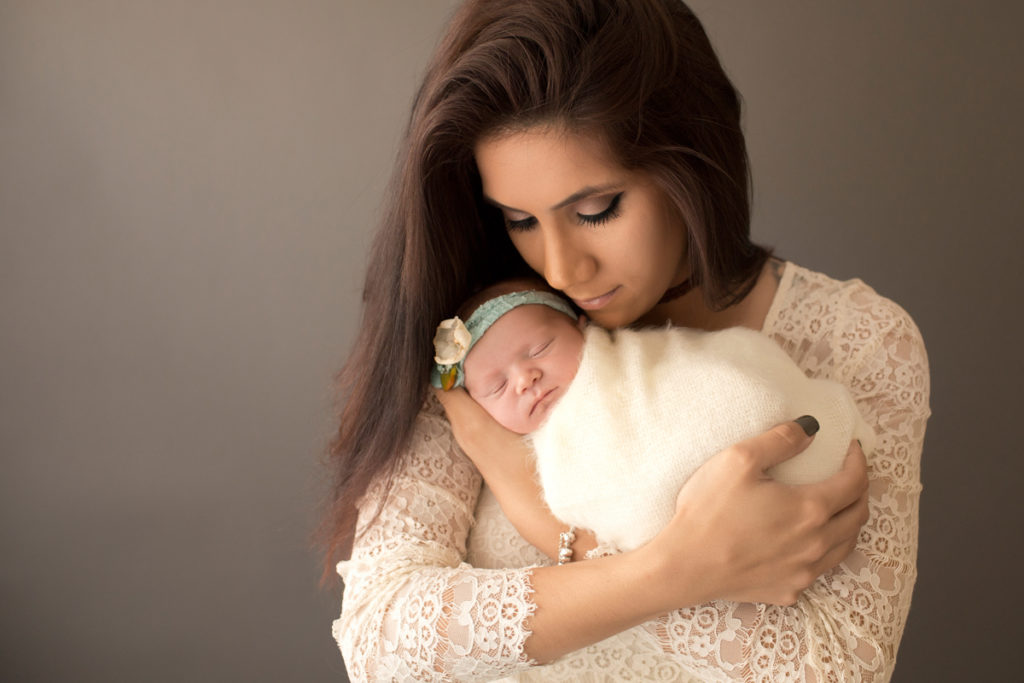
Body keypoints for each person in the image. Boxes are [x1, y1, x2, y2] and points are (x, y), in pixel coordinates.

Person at [323, 0, 930, 680]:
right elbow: (381, 640)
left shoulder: (859, 341)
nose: (560, 268)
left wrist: (566, 530)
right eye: (520, 219)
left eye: (595, 210)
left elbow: (839, 665)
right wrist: (671, 571)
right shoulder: (487, 341)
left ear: (691, 163)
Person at [431, 278, 876, 554]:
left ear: (582, 327)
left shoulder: (629, 360)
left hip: (744, 420)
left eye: (539, 349)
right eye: (497, 386)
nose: (525, 378)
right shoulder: (530, 446)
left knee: (753, 395)